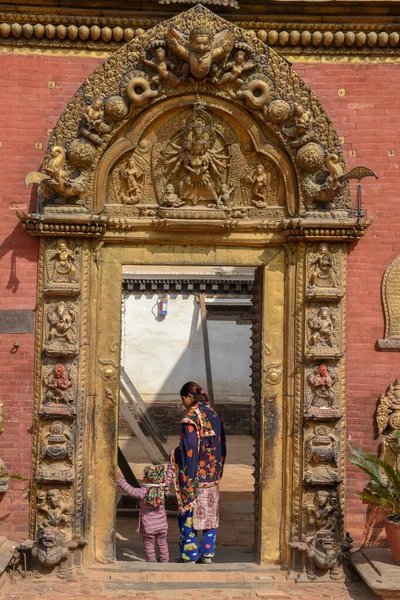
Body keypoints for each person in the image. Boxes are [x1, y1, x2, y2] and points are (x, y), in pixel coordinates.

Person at [171, 381, 226, 563]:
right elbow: (222, 444)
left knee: (189, 513)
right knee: (210, 513)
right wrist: (218, 468)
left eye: (183, 399)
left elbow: (190, 446)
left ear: (189, 397)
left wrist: (179, 460)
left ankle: (190, 554)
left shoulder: (192, 416)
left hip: (194, 473)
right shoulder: (214, 414)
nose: (183, 403)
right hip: (212, 473)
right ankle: (208, 553)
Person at [118, 463, 173, 563]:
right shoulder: (164, 490)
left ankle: (151, 561)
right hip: (162, 525)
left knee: (148, 543)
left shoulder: (142, 493)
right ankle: (165, 561)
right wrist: (170, 465)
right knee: (162, 543)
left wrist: (120, 479)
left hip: (148, 526)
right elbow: (169, 479)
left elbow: (129, 489)